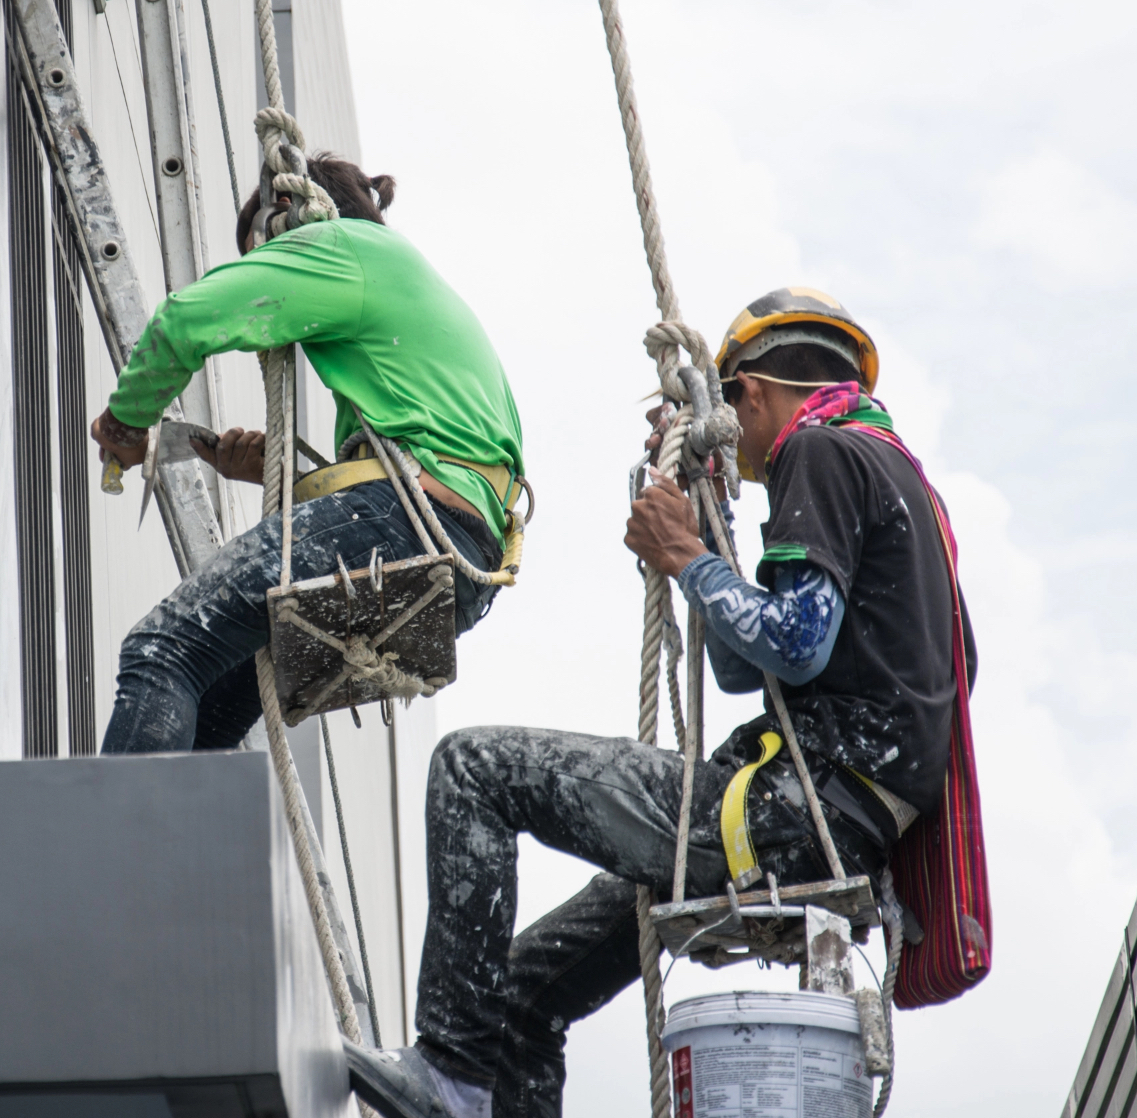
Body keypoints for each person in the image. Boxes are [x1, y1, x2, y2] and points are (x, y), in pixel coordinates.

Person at [346, 288, 976, 1118]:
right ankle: (474, 1070)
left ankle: (451, 1071)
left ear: (746, 393)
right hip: (832, 822)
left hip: (786, 812)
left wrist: (686, 556)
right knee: (528, 991)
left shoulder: (817, 453)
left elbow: (793, 642)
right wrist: (709, 545)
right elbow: (748, 673)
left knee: (473, 767)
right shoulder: (897, 479)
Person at [91, 155, 525, 754]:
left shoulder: (344, 246)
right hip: (462, 554)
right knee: (212, 710)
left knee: (163, 649)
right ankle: (185, 840)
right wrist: (281, 476)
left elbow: (186, 320)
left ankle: (116, 848)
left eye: (265, 259)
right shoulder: (410, 289)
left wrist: (125, 422)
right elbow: (415, 468)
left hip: (413, 521)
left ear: (293, 218)